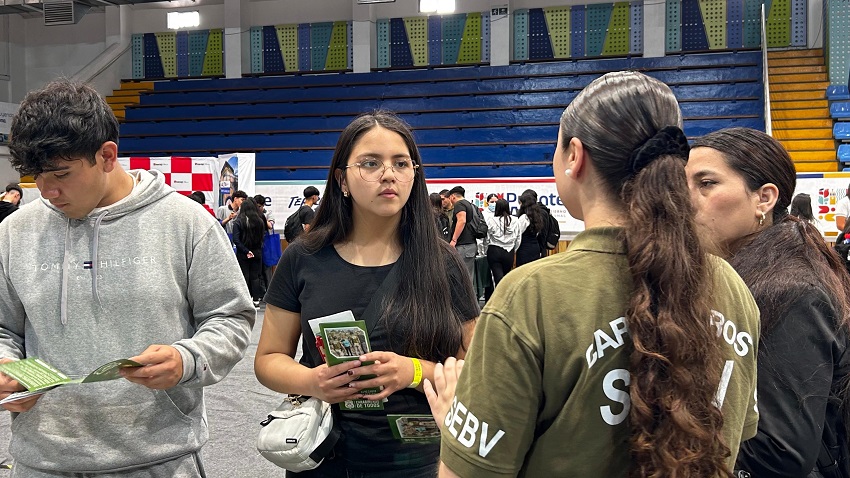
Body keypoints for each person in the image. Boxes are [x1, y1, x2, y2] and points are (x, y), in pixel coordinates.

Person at [424, 71, 759, 477]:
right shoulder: (732, 287)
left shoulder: (530, 295)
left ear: (574, 156)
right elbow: (737, 434)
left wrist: (457, 422)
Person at [0, 79, 255, 476]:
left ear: (106, 156)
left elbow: (230, 317)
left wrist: (186, 359)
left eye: (60, 173)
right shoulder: (15, 232)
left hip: (159, 459)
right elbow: (4, 328)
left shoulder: (184, 223)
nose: (46, 190)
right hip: (42, 460)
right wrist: (7, 366)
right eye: (35, 175)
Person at [254, 111, 479, 477]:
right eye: (370, 163)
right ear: (342, 178)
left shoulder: (442, 262)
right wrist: (312, 381)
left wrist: (414, 371)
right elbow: (268, 358)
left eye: (401, 163)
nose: (388, 174)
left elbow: (477, 371)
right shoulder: (304, 257)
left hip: (415, 458)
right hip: (324, 453)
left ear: (414, 175)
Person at [687, 127, 850, 477]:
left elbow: (779, 452)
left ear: (764, 198)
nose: (685, 201)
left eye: (706, 183)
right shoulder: (743, 273)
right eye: (682, 186)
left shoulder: (792, 291)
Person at [233, 197, 266, 308]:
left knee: (244, 276)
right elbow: (263, 237)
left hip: (243, 253)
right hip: (257, 252)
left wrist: (246, 251)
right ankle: (256, 300)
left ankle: (245, 301)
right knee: (255, 276)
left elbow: (236, 240)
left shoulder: (238, 221)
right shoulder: (260, 221)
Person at [484, 198, 520, 293]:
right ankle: (506, 298)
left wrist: (484, 249)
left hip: (494, 250)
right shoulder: (516, 220)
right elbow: (518, 238)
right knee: (506, 276)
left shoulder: (491, 220)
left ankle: (498, 299)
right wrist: (514, 249)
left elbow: (487, 237)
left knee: (497, 277)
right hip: (509, 251)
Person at [447, 186, 477, 280]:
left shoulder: (459, 204)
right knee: (468, 276)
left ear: (452, 197)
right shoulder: (470, 205)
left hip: (463, 246)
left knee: (461, 277)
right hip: (470, 244)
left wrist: (454, 239)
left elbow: (461, 220)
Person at [514, 190, 545, 266]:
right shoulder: (537, 216)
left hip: (524, 248)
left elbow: (518, 233)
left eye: (520, 203)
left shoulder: (524, 217)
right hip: (535, 247)